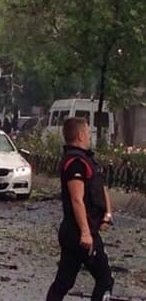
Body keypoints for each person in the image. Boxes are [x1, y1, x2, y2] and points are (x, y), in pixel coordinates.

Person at [46, 117, 114, 301]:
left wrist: (107, 215)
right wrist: (85, 233)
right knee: (105, 280)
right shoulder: (75, 162)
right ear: (80, 135)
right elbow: (77, 199)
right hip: (79, 232)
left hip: (80, 231)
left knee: (64, 281)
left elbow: (101, 187)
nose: (90, 135)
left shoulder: (88, 160)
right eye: (88, 132)